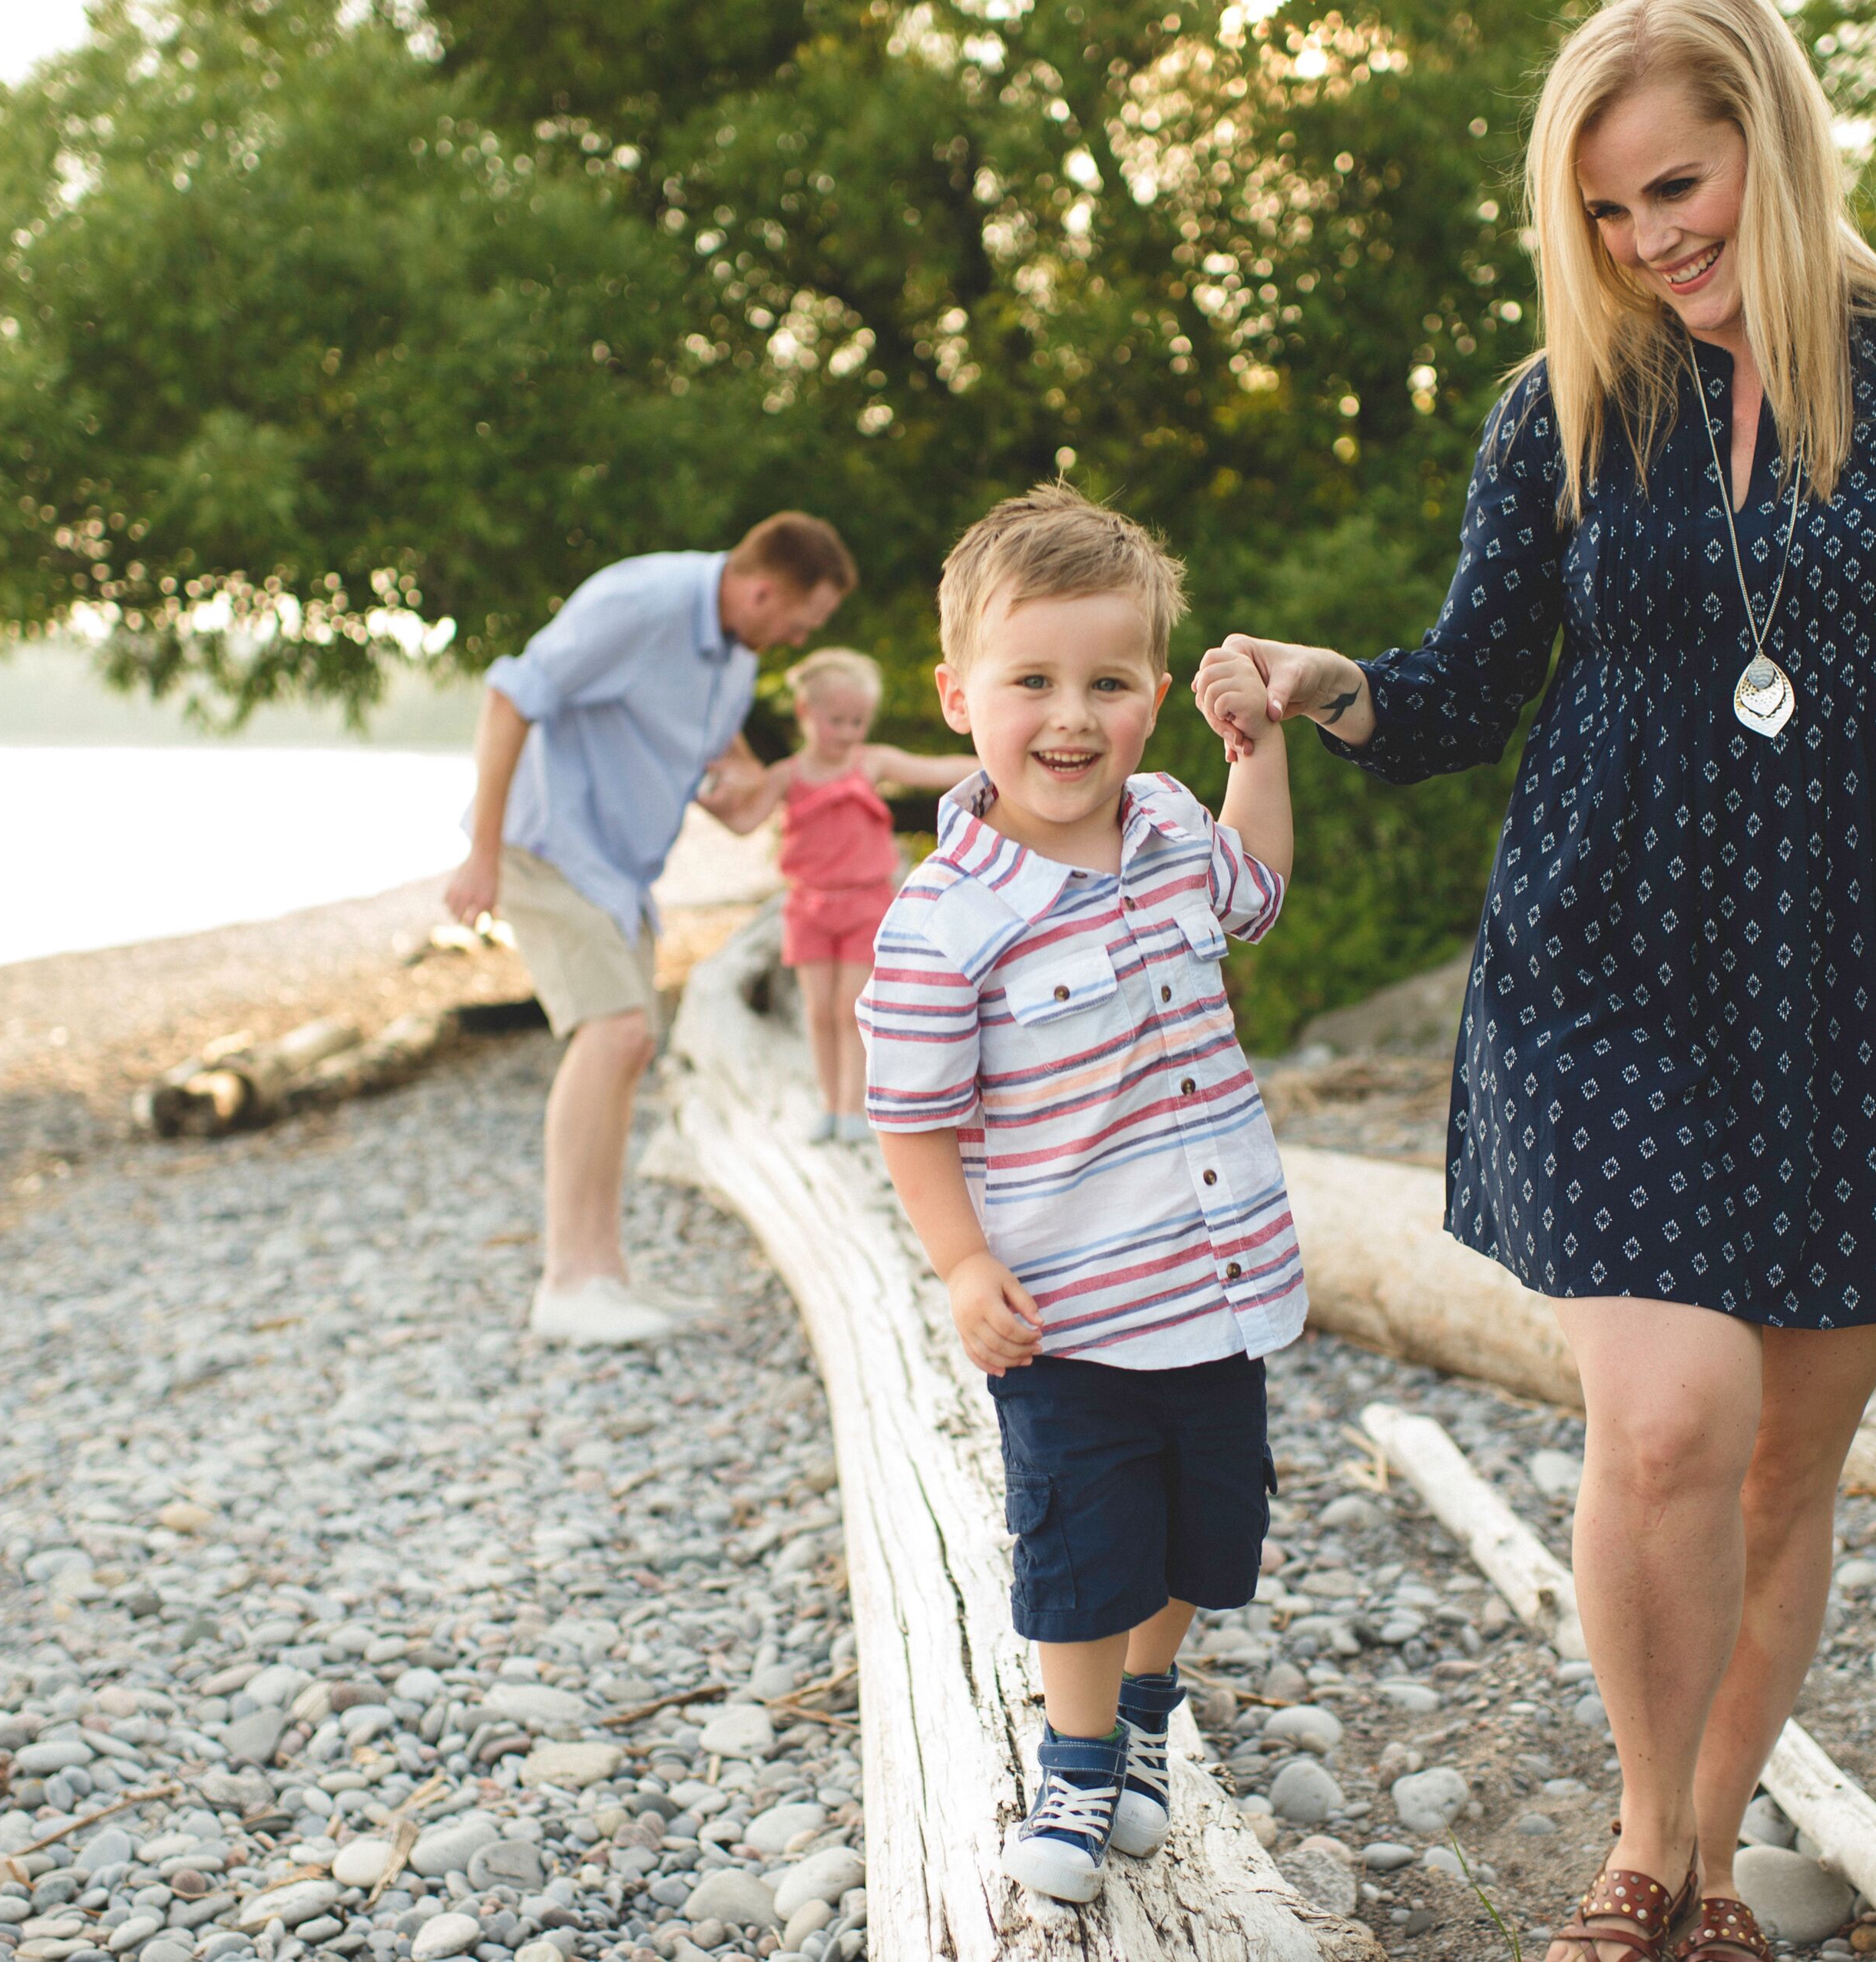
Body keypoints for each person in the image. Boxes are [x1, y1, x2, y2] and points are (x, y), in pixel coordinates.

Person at [1206, 2, 1876, 1956]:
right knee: (1672, 1421)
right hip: (1600, 965)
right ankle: (1638, 1848)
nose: (1644, 243)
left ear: (1767, 143)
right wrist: (1315, 682)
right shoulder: (1569, 403)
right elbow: (1456, 687)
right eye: (1602, 214)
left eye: (1671, 189)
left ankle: (1709, 1858)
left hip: (1873, 990)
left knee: (1787, 1467)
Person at [856, 483, 1299, 1905]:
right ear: (959, 695)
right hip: (1067, 1307)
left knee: (1199, 1537)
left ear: (1154, 697)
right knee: (1080, 1542)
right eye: (1031, 681)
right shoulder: (945, 915)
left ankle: (1152, 1717)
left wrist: (1259, 748)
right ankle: (1079, 1752)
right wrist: (960, 1266)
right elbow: (912, 1118)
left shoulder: (1172, 826)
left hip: (1217, 1285)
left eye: (1106, 683)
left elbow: (1260, 894)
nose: (1069, 716)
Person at [444, 513, 855, 1345]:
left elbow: (720, 761)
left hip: (617, 871)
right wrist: (481, 853)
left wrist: (743, 778)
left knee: (629, 1045)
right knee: (612, 1031)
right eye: (800, 622)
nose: (796, 639)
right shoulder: (642, 599)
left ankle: (604, 1272)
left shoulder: (735, 652)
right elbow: (510, 693)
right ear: (763, 588)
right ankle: (567, 1280)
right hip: (546, 841)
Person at [704, 647, 974, 1142]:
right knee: (817, 1010)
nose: (850, 732)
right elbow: (745, 821)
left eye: (858, 722)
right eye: (838, 721)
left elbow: (934, 769)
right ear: (806, 713)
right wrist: (707, 799)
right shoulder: (786, 775)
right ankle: (828, 1104)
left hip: (864, 903)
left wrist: (1000, 759)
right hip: (808, 907)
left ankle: (854, 1108)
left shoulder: (868, 762)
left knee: (852, 1007)